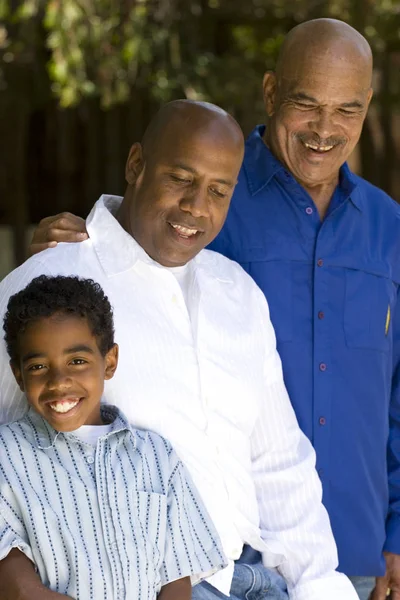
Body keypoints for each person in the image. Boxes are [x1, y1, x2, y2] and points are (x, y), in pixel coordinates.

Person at [25, 19, 400, 600]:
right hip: (162, 579)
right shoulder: (181, 224)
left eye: (347, 109)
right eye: (306, 103)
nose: (326, 129)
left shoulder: (384, 229)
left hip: (335, 556)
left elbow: (371, 406)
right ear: (272, 93)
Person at [0, 274, 226, 600]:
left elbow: (178, 573)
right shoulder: (8, 453)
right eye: (37, 367)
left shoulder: (157, 456)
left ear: (109, 362)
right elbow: (17, 585)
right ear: (19, 375)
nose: (59, 381)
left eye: (77, 361)